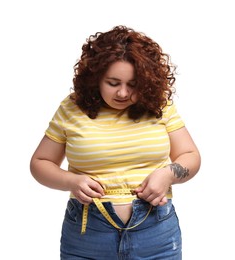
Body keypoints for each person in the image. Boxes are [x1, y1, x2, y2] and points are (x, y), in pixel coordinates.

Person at [30, 25, 201, 260]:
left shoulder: (159, 106)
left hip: (156, 234)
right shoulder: (72, 107)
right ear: (96, 77)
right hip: (87, 235)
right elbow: (40, 162)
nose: (123, 93)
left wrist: (168, 174)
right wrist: (71, 181)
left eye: (133, 85)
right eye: (113, 83)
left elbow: (190, 155)